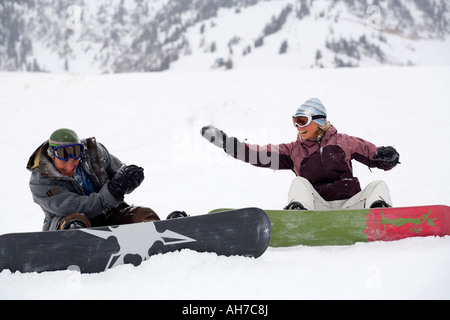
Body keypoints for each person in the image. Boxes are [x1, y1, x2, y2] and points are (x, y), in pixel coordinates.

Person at [201, 98, 400, 210]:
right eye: (295, 121)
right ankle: (298, 215)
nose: (298, 126)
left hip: (351, 206)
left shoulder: (345, 142)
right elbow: (258, 154)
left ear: (319, 121)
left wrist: (387, 156)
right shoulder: (293, 151)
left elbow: (374, 156)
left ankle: (379, 215)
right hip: (316, 208)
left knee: (378, 185)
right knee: (299, 183)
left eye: (302, 120)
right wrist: (228, 145)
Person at [27, 128, 161, 231]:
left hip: (108, 214)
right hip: (67, 221)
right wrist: (112, 193)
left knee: (143, 215)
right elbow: (74, 206)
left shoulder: (95, 155)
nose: (70, 166)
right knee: (76, 223)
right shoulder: (41, 181)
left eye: (75, 160)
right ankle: (76, 247)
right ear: (52, 156)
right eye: (63, 160)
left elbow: (118, 176)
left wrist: (129, 180)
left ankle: (154, 235)